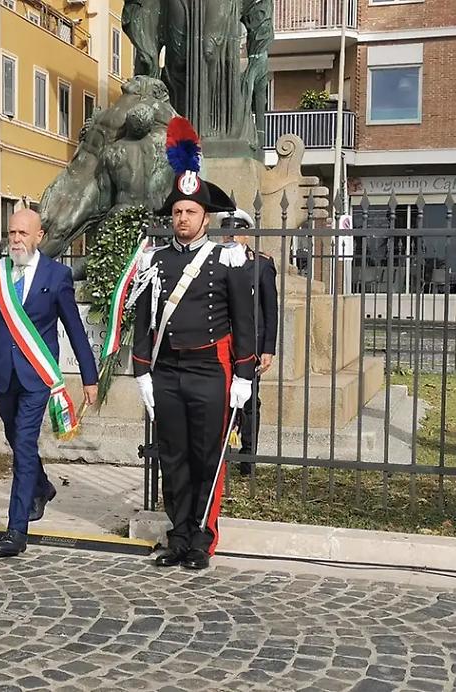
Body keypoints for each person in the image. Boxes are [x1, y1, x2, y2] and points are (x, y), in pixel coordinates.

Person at [131, 116, 256, 570]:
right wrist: (142, 370)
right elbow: (143, 319)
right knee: (174, 456)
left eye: (190, 212)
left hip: (208, 371)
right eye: (177, 212)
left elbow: (245, 321)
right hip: (167, 372)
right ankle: (178, 532)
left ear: (206, 217)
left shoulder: (228, 260)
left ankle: (203, 536)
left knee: (207, 457)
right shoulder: (156, 260)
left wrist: (243, 373)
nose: (182, 218)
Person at [0, 209, 99, 557]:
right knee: (15, 439)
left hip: (38, 377)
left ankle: (16, 529)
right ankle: (41, 486)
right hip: (5, 375)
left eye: (23, 233)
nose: (16, 239)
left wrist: (89, 377)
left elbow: (74, 328)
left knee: (24, 443)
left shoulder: (57, 276)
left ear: (39, 236)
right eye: (12, 232)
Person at [216, 209, 278, 476]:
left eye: (235, 233)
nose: (230, 238)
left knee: (250, 402)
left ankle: (247, 455)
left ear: (246, 235)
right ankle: (219, 453)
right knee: (219, 398)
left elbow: (271, 310)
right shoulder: (213, 261)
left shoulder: (261, 265)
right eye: (226, 233)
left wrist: (268, 349)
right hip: (219, 342)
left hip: (249, 346)